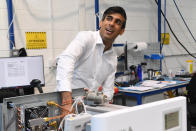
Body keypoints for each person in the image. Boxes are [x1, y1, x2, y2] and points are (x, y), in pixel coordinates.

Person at [56, 6, 127, 115]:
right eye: (109, 19)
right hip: (65, 104)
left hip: (88, 110)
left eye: (117, 22)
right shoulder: (86, 38)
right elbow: (66, 59)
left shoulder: (112, 59)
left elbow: (108, 93)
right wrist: (66, 101)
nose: (111, 24)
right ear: (101, 23)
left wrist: (98, 98)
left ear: (121, 31)